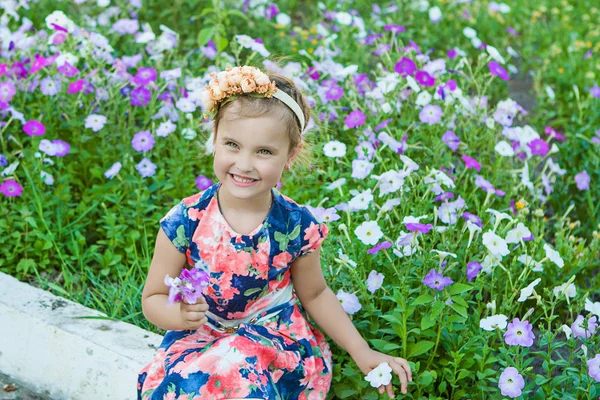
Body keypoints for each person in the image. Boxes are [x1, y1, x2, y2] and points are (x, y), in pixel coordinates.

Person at [137, 65, 412, 399]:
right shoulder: (186, 221)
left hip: (273, 343)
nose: (244, 163)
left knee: (235, 365)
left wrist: (361, 350)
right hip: (202, 340)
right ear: (214, 140)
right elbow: (152, 298)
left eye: (264, 151)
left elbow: (314, 294)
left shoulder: (295, 225)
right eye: (232, 144)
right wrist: (177, 314)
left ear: (290, 156)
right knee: (201, 377)